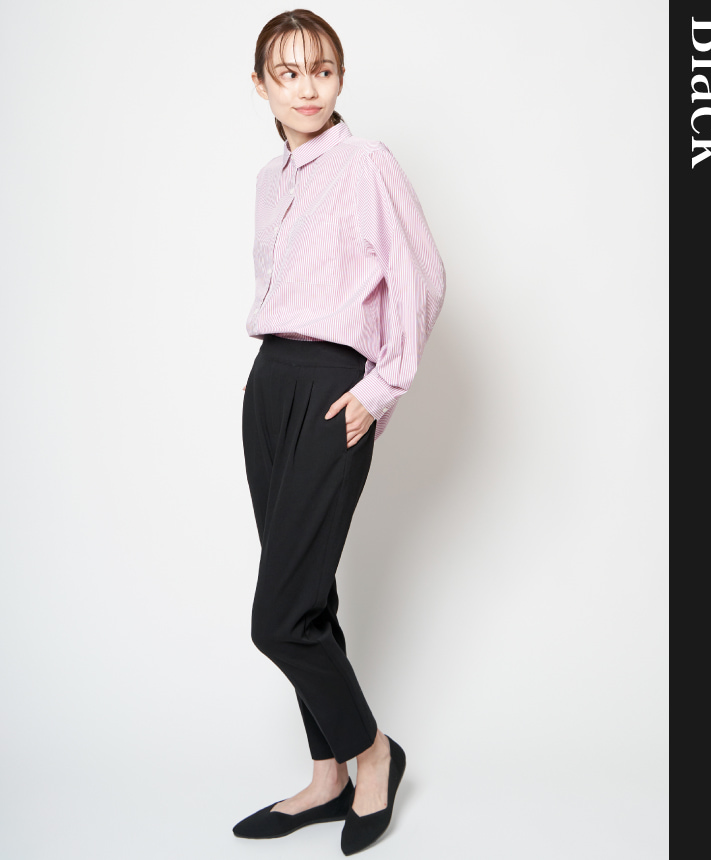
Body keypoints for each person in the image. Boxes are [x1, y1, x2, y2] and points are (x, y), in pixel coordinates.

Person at [232, 9, 446, 855]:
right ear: (261, 86)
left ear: (340, 78)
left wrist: (380, 387)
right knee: (307, 598)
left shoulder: (366, 162)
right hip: (270, 383)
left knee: (277, 617)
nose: (307, 87)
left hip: (333, 386)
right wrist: (269, 384)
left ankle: (373, 753)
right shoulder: (270, 178)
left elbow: (421, 276)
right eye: (288, 73)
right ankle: (326, 777)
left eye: (321, 70)